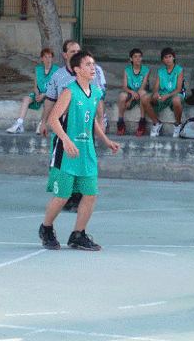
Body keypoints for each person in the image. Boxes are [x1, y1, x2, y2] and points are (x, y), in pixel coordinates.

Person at [38, 50, 120, 251]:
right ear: (76, 70)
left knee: (90, 194)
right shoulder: (69, 91)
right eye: (87, 64)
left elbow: (91, 121)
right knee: (63, 196)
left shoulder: (96, 93)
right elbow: (53, 119)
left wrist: (106, 140)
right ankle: (46, 228)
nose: (93, 68)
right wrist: (65, 140)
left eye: (93, 64)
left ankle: (78, 234)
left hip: (86, 150)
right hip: (66, 152)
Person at [6, 48, 59, 134]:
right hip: (39, 94)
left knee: (48, 102)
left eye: (49, 57)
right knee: (26, 99)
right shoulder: (38, 69)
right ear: (42, 58)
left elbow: (56, 88)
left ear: (52, 58)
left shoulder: (57, 70)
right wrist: (37, 94)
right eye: (45, 57)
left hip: (49, 95)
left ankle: (41, 124)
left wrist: (44, 95)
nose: (47, 59)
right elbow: (35, 86)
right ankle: (19, 124)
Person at [140, 47, 184, 138]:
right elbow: (156, 87)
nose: (168, 59)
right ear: (162, 60)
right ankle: (156, 123)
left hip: (173, 94)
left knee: (176, 100)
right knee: (144, 98)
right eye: (166, 58)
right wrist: (156, 92)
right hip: (163, 94)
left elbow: (179, 89)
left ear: (174, 57)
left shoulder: (179, 69)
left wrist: (167, 96)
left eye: (170, 56)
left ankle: (178, 124)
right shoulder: (160, 71)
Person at [116, 48, 150, 136]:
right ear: (131, 59)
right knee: (122, 96)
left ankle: (142, 121)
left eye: (139, 56)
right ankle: (120, 121)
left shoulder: (146, 70)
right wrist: (131, 92)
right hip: (131, 92)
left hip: (140, 92)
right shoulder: (127, 70)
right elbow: (124, 86)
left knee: (143, 93)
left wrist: (130, 100)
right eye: (135, 57)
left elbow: (143, 87)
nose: (138, 59)